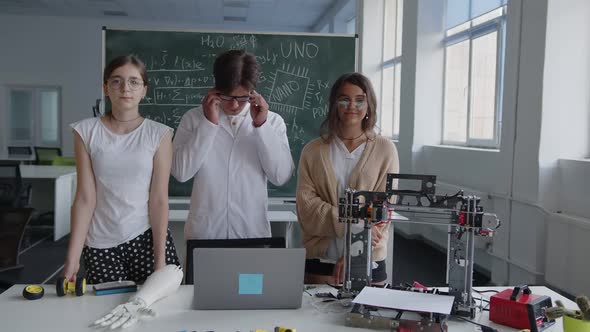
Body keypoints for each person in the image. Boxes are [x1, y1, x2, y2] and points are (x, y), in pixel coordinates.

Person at [63, 55, 180, 284]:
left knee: (159, 311)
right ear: (106, 88)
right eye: (116, 81)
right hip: (100, 244)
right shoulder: (85, 132)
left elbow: (158, 199)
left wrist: (160, 260)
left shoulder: (159, 134)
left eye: (134, 82)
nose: (125, 88)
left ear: (144, 90)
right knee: (106, 314)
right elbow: (85, 198)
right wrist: (72, 258)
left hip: (146, 239)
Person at [172, 49, 294, 240]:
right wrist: (208, 124)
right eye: (227, 96)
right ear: (216, 88)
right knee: (204, 271)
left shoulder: (272, 121)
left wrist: (261, 126)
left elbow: (280, 176)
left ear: (253, 91)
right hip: (205, 237)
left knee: (250, 272)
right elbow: (180, 172)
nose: (235, 105)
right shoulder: (194, 119)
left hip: (252, 235)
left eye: (243, 97)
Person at [296, 72, 399, 285]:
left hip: (369, 259)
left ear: (369, 104)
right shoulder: (313, 151)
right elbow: (307, 208)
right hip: (321, 259)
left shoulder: (385, 149)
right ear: (334, 104)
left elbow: (384, 208)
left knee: (370, 317)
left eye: (360, 100)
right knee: (315, 317)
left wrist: (355, 250)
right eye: (344, 99)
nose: (352, 105)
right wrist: (353, 224)